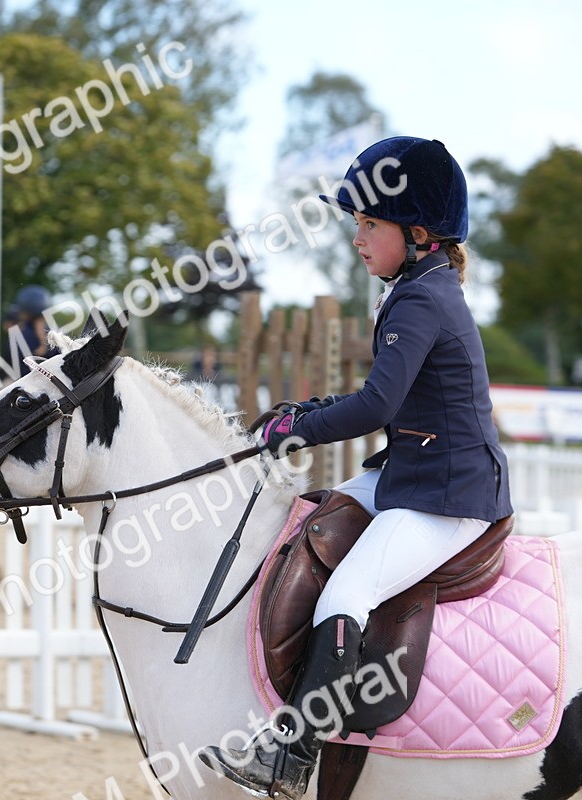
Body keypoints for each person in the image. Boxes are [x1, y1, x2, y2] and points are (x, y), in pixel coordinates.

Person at [201, 137, 513, 800]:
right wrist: (306, 411)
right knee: (309, 523)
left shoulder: (423, 299)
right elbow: (383, 396)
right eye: (357, 223)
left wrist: (295, 430)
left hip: (449, 493)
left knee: (347, 595)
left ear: (418, 234)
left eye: (370, 224)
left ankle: (292, 757)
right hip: (413, 470)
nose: (357, 238)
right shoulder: (417, 287)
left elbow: (377, 406)